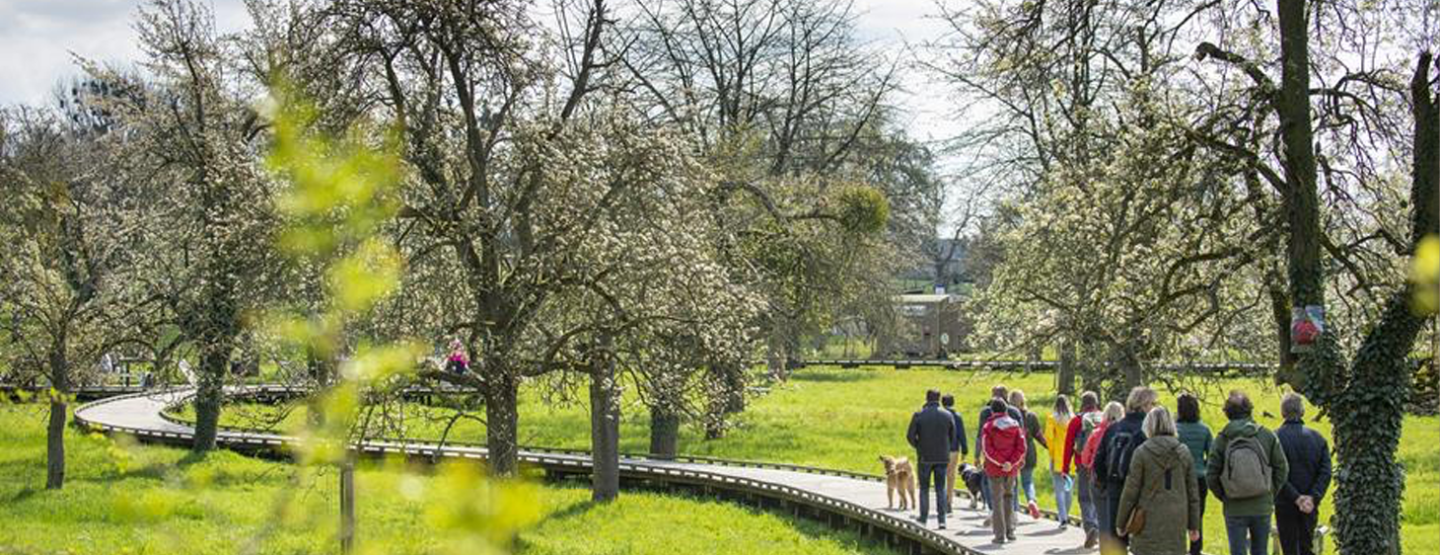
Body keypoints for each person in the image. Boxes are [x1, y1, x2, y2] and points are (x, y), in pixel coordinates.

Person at [1207, 391, 1289, 555]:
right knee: (1260, 551)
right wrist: (1270, 491)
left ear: (1227, 413)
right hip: (1261, 505)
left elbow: (1211, 475)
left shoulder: (1222, 439)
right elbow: (1282, 468)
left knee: (1237, 551)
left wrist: (1224, 495)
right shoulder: (1266, 435)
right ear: (1249, 410)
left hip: (1234, 506)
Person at [1115, 406, 1201, 555]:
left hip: (1148, 518)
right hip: (1177, 519)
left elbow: (1130, 491)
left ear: (1149, 424)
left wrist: (1121, 522)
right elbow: (1193, 493)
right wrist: (1194, 525)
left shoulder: (1142, 452)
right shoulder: (1183, 452)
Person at [1094, 387, 1158, 555]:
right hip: (1141, 489)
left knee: (1116, 537)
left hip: (1115, 486)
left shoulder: (1114, 428)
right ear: (1145, 405)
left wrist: (1104, 483)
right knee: (1142, 536)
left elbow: (1098, 460)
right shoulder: (1149, 431)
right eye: (1153, 403)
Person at [1274, 393, 1330, 555]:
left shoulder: (1274, 438)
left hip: (1285, 501)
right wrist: (1313, 497)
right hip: (1310, 505)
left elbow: (1275, 473)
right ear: (1302, 412)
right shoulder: (1318, 439)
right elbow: (1325, 472)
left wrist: (1295, 497)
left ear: (1283, 413)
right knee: (1306, 547)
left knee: (1289, 549)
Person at [908, 389, 956, 529]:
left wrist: (918, 446)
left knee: (924, 488)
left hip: (925, 456)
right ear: (939, 399)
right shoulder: (947, 415)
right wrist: (946, 448)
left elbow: (910, 436)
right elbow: (953, 436)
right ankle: (942, 520)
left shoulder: (919, 415)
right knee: (940, 488)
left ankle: (923, 517)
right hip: (942, 456)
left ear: (926, 398)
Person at [981, 398, 1027, 544]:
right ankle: (1011, 531)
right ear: (1006, 410)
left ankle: (999, 536)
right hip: (1011, 470)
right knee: (1009, 498)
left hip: (994, 469)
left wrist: (1001, 463)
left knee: (997, 500)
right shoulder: (1016, 426)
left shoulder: (988, 426)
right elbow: (1022, 447)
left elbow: (987, 450)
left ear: (992, 411)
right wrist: (1010, 463)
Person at [1065, 391, 1105, 548]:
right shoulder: (1104, 418)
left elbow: (1069, 446)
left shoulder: (1076, 421)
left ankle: (1090, 527)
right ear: (1097, 403)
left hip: (1083, 464)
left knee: (1084, 497)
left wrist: (1064, 468)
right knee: (1100, 498)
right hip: (1102, 465)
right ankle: (1099, 528)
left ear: (1082, 403)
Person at [1176, 393, 1213, 555]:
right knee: (1197, 516)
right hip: (1199, 477)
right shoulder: (1204, 430)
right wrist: (1202, 466)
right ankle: (1196, 549)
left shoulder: (1175, 430)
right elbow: (1211, 456)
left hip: (1178, 478)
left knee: (1177, 515)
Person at [975, 385, 1023, 509]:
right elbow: (1021, 436)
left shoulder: (986, 412)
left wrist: (977, 455)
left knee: (988, 481)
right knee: (1012, 483)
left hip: (993, 455)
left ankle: (992, 509)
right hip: (1012, 455)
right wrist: (1022, 457)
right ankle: (1014, 509)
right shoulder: (1015, 412)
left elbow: (981, 436)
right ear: (1006, 396)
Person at [1009, 389, 1047, 520]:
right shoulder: (1031, 416)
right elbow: (1039, 436)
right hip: (1029, 451)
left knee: (1012, 482)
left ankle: (1014, 511)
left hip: (1012, 453)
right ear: (1023, 401)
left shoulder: (1008, 416)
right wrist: (1050, 448)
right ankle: (1031, 500)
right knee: (1028, 481)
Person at [1045, 394, 1076, 530]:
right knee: (1068, 488)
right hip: (1072, 460)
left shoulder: (1052, 419)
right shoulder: (1073, 419)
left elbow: (1049, 438)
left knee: (1059, 490)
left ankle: (1063, 518)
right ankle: (1067, 515)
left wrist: (1052, 454)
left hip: (1058, 458)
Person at [941, 394, 969, 510]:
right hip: (954, 449)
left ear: (942, 403)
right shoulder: (957, 416)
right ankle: (949, 500)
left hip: (940, 449)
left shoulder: (941, 415)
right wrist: (965, 449)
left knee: (941, 474)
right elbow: (961, 434)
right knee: (951, 475)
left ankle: (941, 499)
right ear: (953, 403)